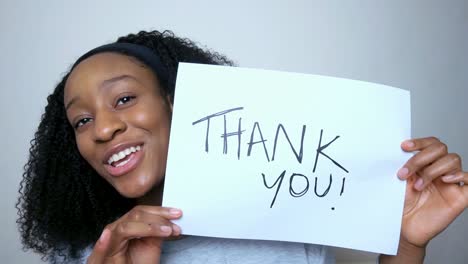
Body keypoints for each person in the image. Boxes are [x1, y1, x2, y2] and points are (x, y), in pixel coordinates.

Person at [17, 30, 467, 264]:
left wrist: (406, 244)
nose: (103, 129)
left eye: (125, 99)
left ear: (175, 103)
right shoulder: (83, 253)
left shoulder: (290, 231)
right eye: (82, 120)